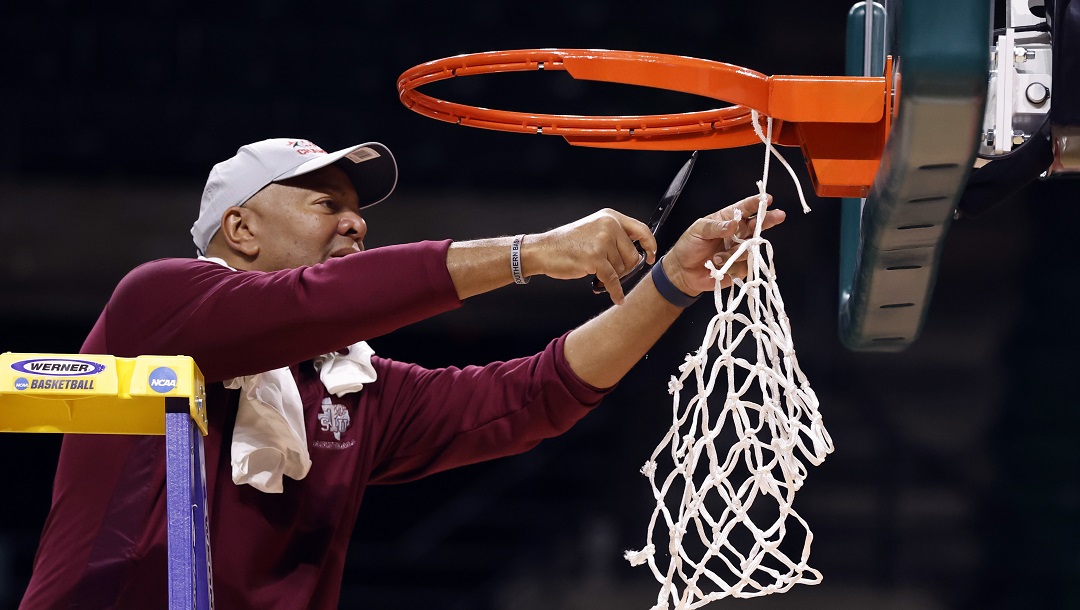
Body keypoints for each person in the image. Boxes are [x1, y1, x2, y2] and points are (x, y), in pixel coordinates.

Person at [19, 137, 784, 609]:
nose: (354, 222)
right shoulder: (156, 307)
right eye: (324, 202)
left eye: (357, 211)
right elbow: (317, 304)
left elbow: (535, 394)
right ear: (240, 228)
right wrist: (532, 252)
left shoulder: (352, 391)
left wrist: (674, 284)